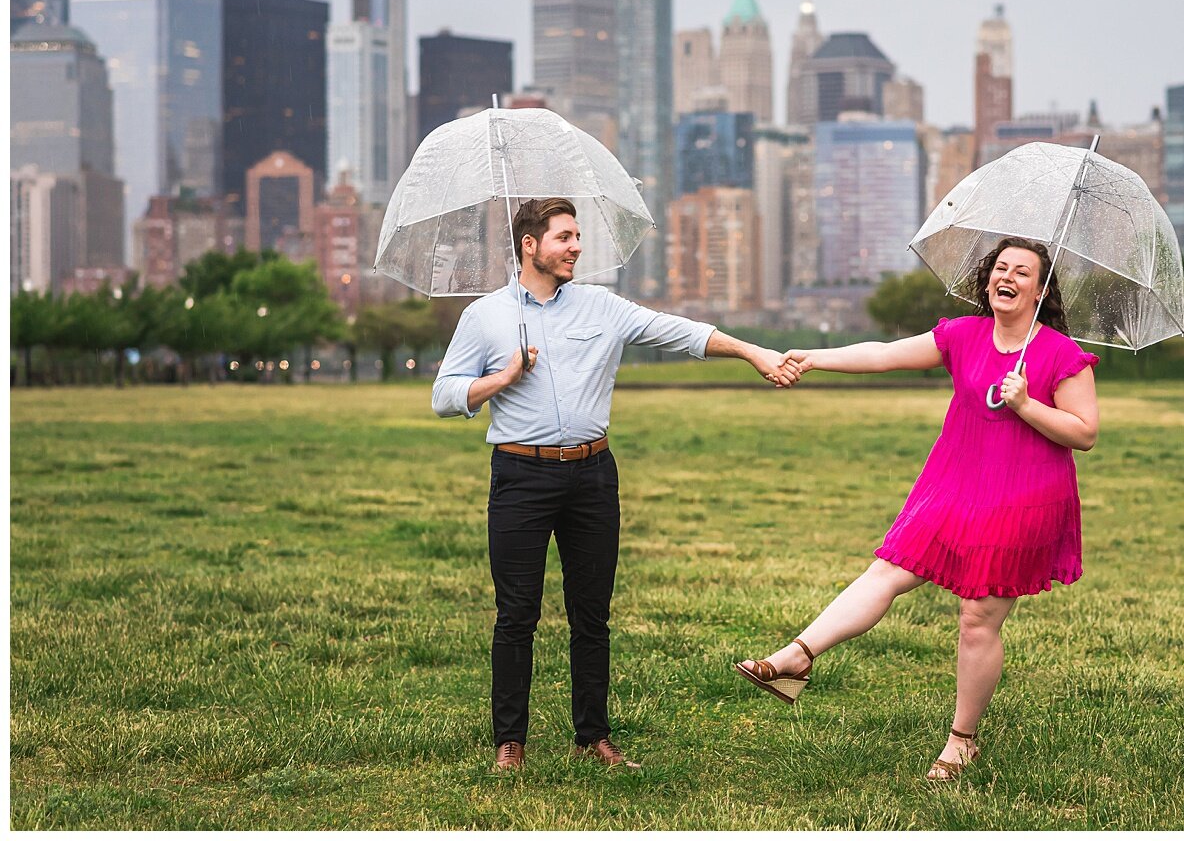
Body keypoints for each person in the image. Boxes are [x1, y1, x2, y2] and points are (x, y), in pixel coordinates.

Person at [433, 197, 799, 774]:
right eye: (564, 237)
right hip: (520, 475)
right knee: (516, 614)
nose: (576, 246)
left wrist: (752, 352)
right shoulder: (485, 316)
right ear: (530, 245)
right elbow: (444, 396)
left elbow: (680, 333)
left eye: (577, 236)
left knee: (591, 614)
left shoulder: (602, 306)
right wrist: (502, 377)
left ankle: (593, 737)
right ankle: (511, 741)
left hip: (591, 476)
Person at [735, 236, 1099, 782]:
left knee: (978, 618)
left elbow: (1085, 433)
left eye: (1023, 272)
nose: (1009, 277)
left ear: (1041, 290)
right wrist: (814, 358)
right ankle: (798, 655)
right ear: (986, 279)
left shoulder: (1061, 356)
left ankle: (962, 741)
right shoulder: (963, 335)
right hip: (953, 483)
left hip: (1023, 499)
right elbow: (883, 354)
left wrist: (1026, 403)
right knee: (886, 570)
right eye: (1001, 267)